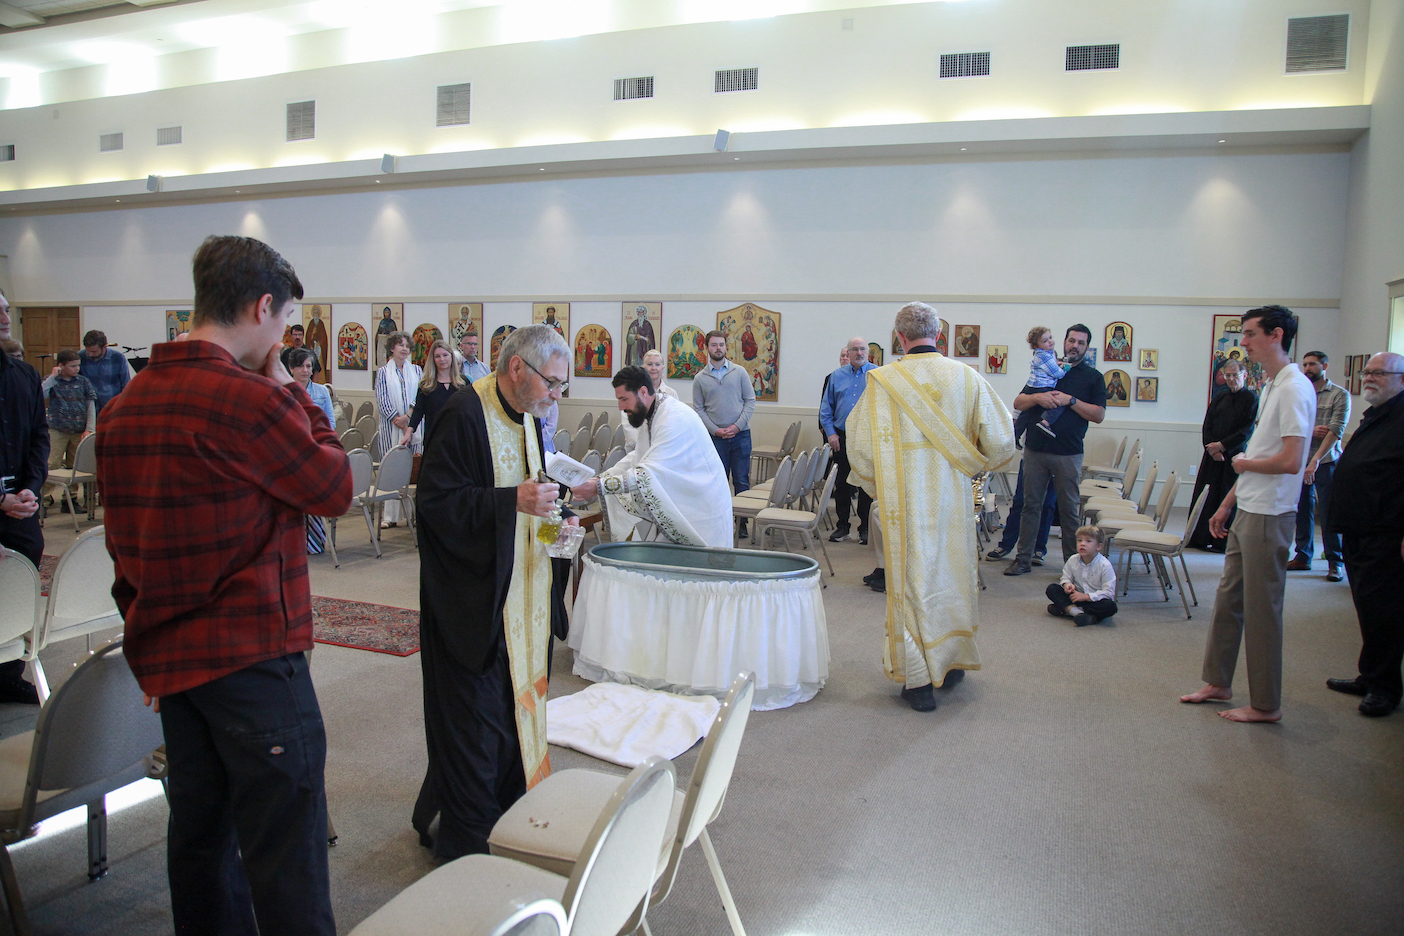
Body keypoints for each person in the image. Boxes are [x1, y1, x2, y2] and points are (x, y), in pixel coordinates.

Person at [96, 235, 351, 934]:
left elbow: (122, 549)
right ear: (262, 307)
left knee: (202, 844)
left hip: (175, 668)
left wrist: (148, 642)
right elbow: (334, 486)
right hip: (253, 660)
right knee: (286, 857)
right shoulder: (252, 401)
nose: (284, 339)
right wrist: (292, 390)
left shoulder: (122, 407)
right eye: (286, 322)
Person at [411, 324, 574, 859]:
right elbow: (435, 506)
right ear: (517, 368)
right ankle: (468, 852)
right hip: (474, 607)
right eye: (552, 382)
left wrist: (559, 517)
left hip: (521, 598)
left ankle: (511, 825)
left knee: (511, 721)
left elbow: (534, 491)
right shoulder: (463, 414)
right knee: (475, 729)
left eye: (561, 386)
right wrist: (511, 503)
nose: (556, 395)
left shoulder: (527, 415)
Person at [847, 302, 1016, 712]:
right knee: (950, 575)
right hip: (953, 501)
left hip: (903, 505)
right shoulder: (967, 377)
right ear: (939, 335)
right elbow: (1000, 443)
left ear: (899, 338)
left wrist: (881, 488)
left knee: (912, 582)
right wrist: (972, 468)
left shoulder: (881, 382)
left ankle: (919, 681)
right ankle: (951, 662)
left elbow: (861, 450)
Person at [1180, 305, 1314, 724]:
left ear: (1276, 336)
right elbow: (1259, 451)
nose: (1243, 342)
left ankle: (1266, 704)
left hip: (1271, 514)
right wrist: (1226, 504)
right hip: (1248, 508)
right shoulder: (1272, 384)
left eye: (1251, 333)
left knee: (1262, 610)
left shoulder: (1293, 387)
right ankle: (1218, 681)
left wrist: (1243, 463)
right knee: (1229, 601)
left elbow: (1291, 460)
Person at [572, 365, 732, 547]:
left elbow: (647, 472)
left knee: (698, 564)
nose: (621, 407)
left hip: (700, 511)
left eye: (624, 399)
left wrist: (599, 486)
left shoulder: (674, 418)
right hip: (683, 503)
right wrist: (601, 478)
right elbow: (639, 457)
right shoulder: (654, 413)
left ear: (642, 392)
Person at [1325, 352, 1404, 718]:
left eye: (1379, 373)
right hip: (1360, 528)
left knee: (1384, 611)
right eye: (1367, 372)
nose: (1369, 378)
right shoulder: (1377, 413)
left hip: (1386, 533)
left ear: (1401, 379)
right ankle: (1369, 675)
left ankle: (1385, 688)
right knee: (1367, 607)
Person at [1005, 324, 1107, 575]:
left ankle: (1074, 566)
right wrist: (1037, 398)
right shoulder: (1048, 366)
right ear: (1064, 341)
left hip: (1068, 453)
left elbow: (1098, 415)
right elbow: (1019, 401)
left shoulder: (1092, 377)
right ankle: (1023, 559)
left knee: (1069, 511)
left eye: (1080, 343)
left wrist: (1070, 401)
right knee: (1030, 506)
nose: (1075, 346)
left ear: (1087, 347)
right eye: (1071, 340)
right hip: (1036, 450)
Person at [0, 289, 47, 705]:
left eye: (5, 308)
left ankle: (8, 674)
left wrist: (31, 485)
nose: (4, 316)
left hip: (21, 503)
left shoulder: (25, 375)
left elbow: (37, 437)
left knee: (18, 587)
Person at [1287, 351, 1350, 581]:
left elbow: (1335, 430)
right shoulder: (1301, 392)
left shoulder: (1339, 395)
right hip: (1301, 459)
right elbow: (1292, 424)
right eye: (1305, 364)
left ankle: (1335, 561)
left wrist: (1315, 460)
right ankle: (1303, 556)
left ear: (1325, 366)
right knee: (1302, 509)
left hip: (1327, 461)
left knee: (1328, 511)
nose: (1308, 368)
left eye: (1312, 364)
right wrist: (1310, 431)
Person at [1188, 359, 1258, 551]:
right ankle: (1199, 538)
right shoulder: (1219, 397)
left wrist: (1222, 446)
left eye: (1235, 375)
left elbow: (1246, 430)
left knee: (1226, 496)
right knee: (1206, 495)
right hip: (1212, 455)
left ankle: (1221, 542)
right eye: (1228, 375)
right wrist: (1211, 448)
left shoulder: (1251, 399)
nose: (1231, 379)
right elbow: (1208, 424)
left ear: (1244, 375)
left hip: (1233, 456)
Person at [693, 330, 756, 530]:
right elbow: (699, 410)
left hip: (741, 436)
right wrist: (716, 430)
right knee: (717, 482)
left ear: (726, 347)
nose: (718, 348)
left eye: (721, 344)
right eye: (714, 345)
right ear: (707, 348)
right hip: (715, 439)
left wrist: (736, 427)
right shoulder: (700, 378)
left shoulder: (739, 372)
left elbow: (750, 401)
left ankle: (741, 524)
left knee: (741, 480)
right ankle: (720, 523)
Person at [820, 337, 878, 545]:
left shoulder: (878, 375)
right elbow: (826, 409)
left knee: (865, 484)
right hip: (841, 437)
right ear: (848, 352)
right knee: (842, 484)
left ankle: (865, 528)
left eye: (862, 349)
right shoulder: (836, 376)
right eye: (854, 349)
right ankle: (842, 526)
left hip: (867, 438)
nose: (859, 353)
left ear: (868, 352)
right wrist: (831, 434)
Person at [287, 347, 337, 555]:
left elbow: (330, 421)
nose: (305, 370)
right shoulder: (284, 391)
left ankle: (315, 542)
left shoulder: (321, 392)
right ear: (291, 368)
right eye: (300, 366)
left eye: (308, 366)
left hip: (316, 450)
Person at [375, 331, 423, 528]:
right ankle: (390, 516)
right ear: (392, 348)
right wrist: (399, 421)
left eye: (407, 345)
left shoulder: (417, 371)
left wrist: (408, 418)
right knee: (391, 469)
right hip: (391, 427)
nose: (404, 349)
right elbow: (382, 400)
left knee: (412, 470)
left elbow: (420, 396)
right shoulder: (382, 372)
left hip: (414, 426)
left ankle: (412, 515)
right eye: (400, 345)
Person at [40, 349, 97, 511]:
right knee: (52, 463)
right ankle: (44, 499)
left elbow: (90, 405)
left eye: (78, 365)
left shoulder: (83, 382)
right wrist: (52, 378)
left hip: (79, 430)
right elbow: (39, 395)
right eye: (72, 366)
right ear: (61, 366)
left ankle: (70, 499)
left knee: (75, 465)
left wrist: (90, 429)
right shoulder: (52, 381)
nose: (76, 368)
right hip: (57, 429)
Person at [984, 463, 1056, 564]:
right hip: (1031, 458)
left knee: (1047, 505)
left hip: (1058, 458)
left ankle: (1039, 549)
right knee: (1020, 502)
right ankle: (1005, 545)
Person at [1046, 525, 1118, 627]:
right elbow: (1066, 577)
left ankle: (1068, 610)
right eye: (1079, 540)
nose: (1082, 544)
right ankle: (1078, 613)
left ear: (1098, 547)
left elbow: (1108, 593)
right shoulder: (1072, 560)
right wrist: (1067, 585)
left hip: (1094, 601)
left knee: (1110, 607)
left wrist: (1087, 597)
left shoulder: (1104, 565)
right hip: (1076, 597)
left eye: (1088, 541)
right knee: (1052, 588)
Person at [1013, 325, 1069, 447]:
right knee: (1059, 403)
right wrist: (1065, 368)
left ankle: (1015, 435)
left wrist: (1057, 363)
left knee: (1027, 412)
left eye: (1050, 337)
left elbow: (1050, 365)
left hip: (1032, 385)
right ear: (1036, 346)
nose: (1050, 341)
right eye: (1045, 341)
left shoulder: (1043, 354)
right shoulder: (1045, 356)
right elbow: (1058, 374)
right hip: (1043, 386)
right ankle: (1045, 422)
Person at [405, 339, 464, 446]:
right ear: (433, 359)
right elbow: (418, 411)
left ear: (451, 356)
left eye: (445, 355)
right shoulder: (426, 385)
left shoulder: (463, 383)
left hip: (458, 439)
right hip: (434, 440)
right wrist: (409, 432)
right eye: (437, 356)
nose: (442, 359)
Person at [623, 349, 678, 451]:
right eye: (649, 364)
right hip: (637, 449)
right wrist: (642, 446)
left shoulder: (671, 394)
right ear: (643, 368)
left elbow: (675, 422)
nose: (653, 368)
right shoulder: (632, 393)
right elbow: (628, 425)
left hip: (664, 448)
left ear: (663, 368)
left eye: (657, 364)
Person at [78, 329, 131, 414]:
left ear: (104, 347)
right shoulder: (79, 357)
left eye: (94, 351)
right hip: (89, 409)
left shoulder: (118, 357)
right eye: (88, 351)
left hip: (112, 407)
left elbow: (126, 384)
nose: (90, 354)